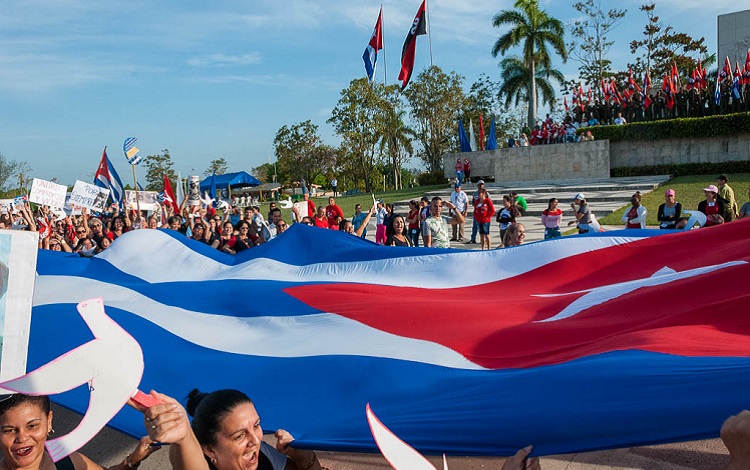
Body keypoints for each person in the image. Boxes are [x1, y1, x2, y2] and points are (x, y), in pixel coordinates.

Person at [140, 389, 322, 470]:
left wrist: (305, 458)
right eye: (239, 436)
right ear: (209, 449)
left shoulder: (263, 454)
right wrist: (183, 438)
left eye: (256, 426)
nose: (256, 440)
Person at [0, 393, 156, 469]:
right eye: (9, 430)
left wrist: (132, 461)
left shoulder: (68, 462)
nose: (22, 437)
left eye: (32, 426)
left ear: (48, 421)